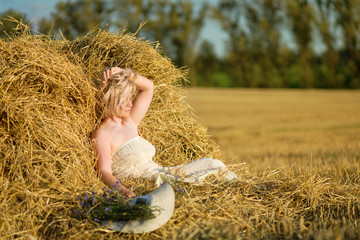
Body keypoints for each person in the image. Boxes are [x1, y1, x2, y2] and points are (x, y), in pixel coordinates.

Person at [92, 67, 237, 199]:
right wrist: (123, 191)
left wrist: (126, 73)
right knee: (207, 176)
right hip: (147, 182)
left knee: (213, 163)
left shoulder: (130, 122)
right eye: (125, 100)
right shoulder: (103, 134)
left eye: (131, 98)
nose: (130, 104)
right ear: (110, 98)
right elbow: (105, 172)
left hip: (161, 172)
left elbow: (149, 87)